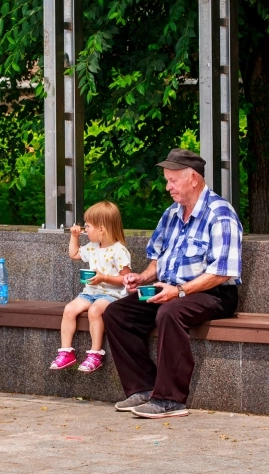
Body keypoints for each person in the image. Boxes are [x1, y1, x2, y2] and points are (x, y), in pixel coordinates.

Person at [103, 148, 242, 419]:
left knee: (169, 312)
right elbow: (158, 259)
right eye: (167, 180)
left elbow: (223, 272)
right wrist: (142, 277)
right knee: (117, 313)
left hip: (213, 292)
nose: (168, 187)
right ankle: (143, 388)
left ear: (193, 179)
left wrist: (179, 291)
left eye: (173, 180)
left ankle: (170, 400)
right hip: (171, 288)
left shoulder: (220, 214)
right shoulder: (171, 214)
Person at [50, 201, 131, 373]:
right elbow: (74, 254)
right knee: (70, 309)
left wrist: (104, 278)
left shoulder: (119, 251)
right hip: (90, 292)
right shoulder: (92, 247)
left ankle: (95, 354)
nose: (85, 229)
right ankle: (66, 352)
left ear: (101, 229)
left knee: (95, 311)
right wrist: (74, 237)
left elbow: (126, 278)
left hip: (112, 295)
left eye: (88, 226)